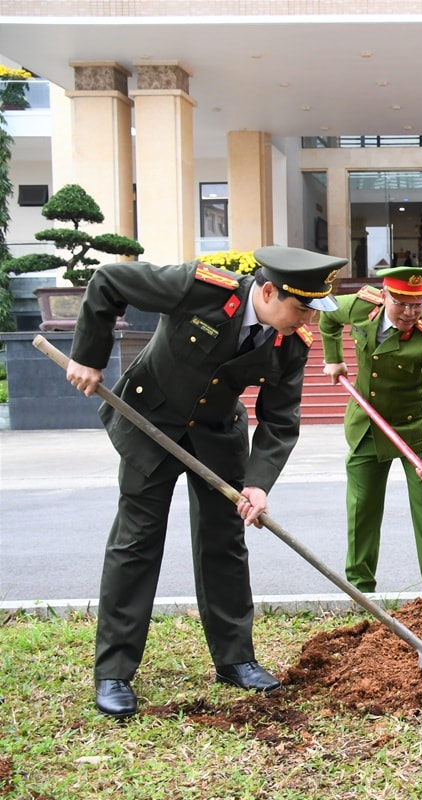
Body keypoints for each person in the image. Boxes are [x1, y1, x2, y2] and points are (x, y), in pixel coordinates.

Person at [65, 245, 344, 719]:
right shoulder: (200, 288)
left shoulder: (290, 344)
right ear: (270, 291)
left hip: (216, 435)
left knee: (224, 543)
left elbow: (280, 421)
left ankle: (235, 658)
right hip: (149, 421)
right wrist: (89, 356)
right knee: (136, 542)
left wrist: (258, 484)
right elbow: (109, 281)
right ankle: (114, 670)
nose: (307, 323)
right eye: (301, 309)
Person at [320, 266, 422, 593]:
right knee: (362, 508)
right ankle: (360, 590)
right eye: (401, 303)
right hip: (368, 423)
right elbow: (327, 316)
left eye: (418, 304)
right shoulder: (361, 306)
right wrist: (333, 358)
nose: (409, 313)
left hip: (415, 430)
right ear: (383, 296)